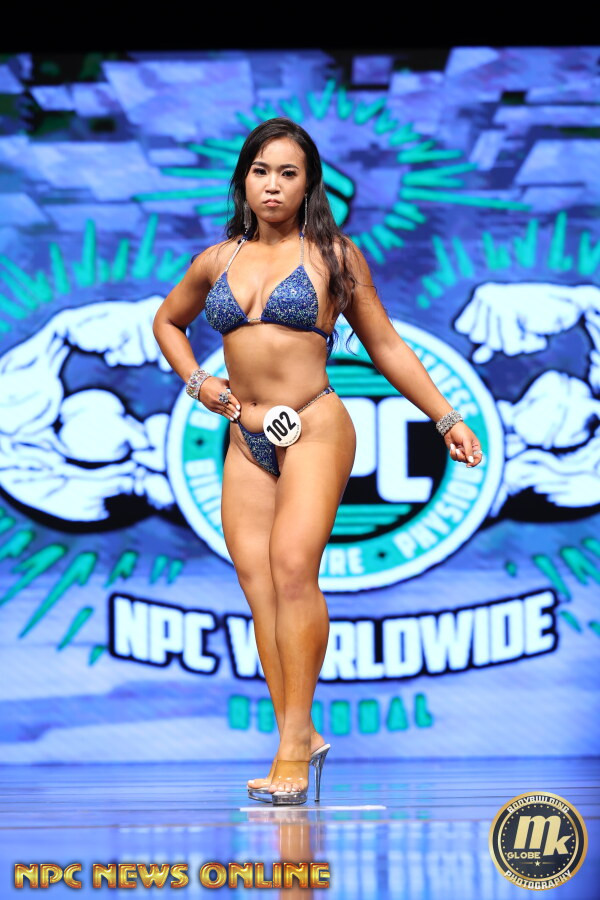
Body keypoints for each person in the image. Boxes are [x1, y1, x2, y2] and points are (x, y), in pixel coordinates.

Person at [152, 117, 484, 806]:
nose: (272, 185)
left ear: (309, 185)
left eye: (288, 173)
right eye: (261, 171)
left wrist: (446, 416)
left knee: (293, 569)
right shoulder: (218, 260)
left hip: (314, 426)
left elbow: (386, 345)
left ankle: (291, 750)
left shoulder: (334, 255)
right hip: (245, 435)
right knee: (259, 589)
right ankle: (300, 736)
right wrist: (200, 383)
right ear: (243, 180)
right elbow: (166, 321)